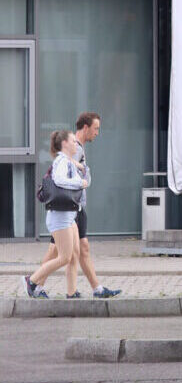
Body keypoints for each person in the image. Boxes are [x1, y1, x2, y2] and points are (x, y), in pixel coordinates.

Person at [33, 113, 119, 298]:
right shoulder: (75, 148)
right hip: (70, 206)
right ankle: (34, 283)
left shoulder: (77, 149)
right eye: (96, 128)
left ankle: (79, 290)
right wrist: (81, 180)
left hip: (71, 207)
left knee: (72, 250)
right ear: (86, 128)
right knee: (66, 252)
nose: (97, 132)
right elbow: (63, 172)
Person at [21, 131, 89, 298]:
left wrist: (80, 168)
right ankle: (32, 280)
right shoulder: (62, 161)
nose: (76, 144)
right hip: (60, 218)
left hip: (68, 216)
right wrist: (80, 182)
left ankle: (72, 293)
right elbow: (58, 180)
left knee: (74, 254)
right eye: (73, 141)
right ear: (64, 143)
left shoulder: (68, 161)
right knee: (64, 257)